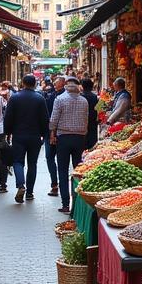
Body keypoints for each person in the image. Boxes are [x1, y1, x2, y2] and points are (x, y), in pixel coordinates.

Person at [3, 73, 49, 203]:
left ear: (23, 83)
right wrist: (44, 135)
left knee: (18, 162)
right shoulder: (39, 98)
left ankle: (20, 185)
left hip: (19, 135)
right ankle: (29, 193)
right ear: (35, 84)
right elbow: (45, 119)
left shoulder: (15, 98)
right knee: (32, 164)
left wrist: (8, 133)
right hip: (35, 136)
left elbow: (8, 117)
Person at [49, 76, 89, 213]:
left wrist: (52, 133)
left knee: (62, 170)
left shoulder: (60, 99)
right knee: (78, 172)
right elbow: (86, 119)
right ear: (78, 86)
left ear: (66, 85)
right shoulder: (84, 101)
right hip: (79, 138)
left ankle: (65, 204)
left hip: (63, 138)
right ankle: (77, 203)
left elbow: (53, 120)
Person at [43, 75, 66, 196]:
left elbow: (49, 116)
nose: (54, 84)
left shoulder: (52, 97)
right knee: (61, 160)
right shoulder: (57, 96)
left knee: (50, 158)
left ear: (62, 84)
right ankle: (61, 186)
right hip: (62, 132)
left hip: (52, 132)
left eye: (56, 83)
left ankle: (55, 185)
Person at [81, 77, 99, 151]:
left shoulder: (80, 97)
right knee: (92, 142)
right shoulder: (95, 97)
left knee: (83, 143)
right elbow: (98, 109)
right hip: (93, 121)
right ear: (91, 86)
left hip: (82, 122)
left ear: (82, 86)